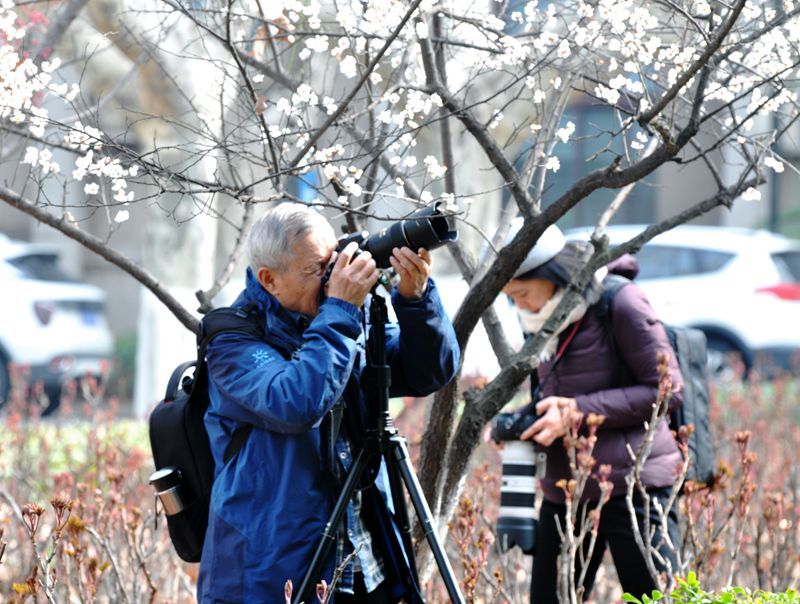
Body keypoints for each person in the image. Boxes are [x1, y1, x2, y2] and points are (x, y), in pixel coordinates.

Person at [197, 203, 459, 603]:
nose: (332, 277)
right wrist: (339, 310)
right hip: (274, 573)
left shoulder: (346, 319)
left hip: (365, 562)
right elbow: (295, 402)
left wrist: (415, 300)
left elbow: (427, 373)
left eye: (331, 262)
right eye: (316, 269)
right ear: (269, 279)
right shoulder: (232, 339)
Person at [499, 222, 684, 603]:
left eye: (522, 293)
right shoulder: (541, 322)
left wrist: (577, 413)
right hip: (566, 491)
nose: (520, 306)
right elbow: (556, 394)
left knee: (656, 597)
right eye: (510, 298)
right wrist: (524, 423)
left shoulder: (620, 301)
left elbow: (667, 391)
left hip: (635, 487)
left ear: (551, 275)